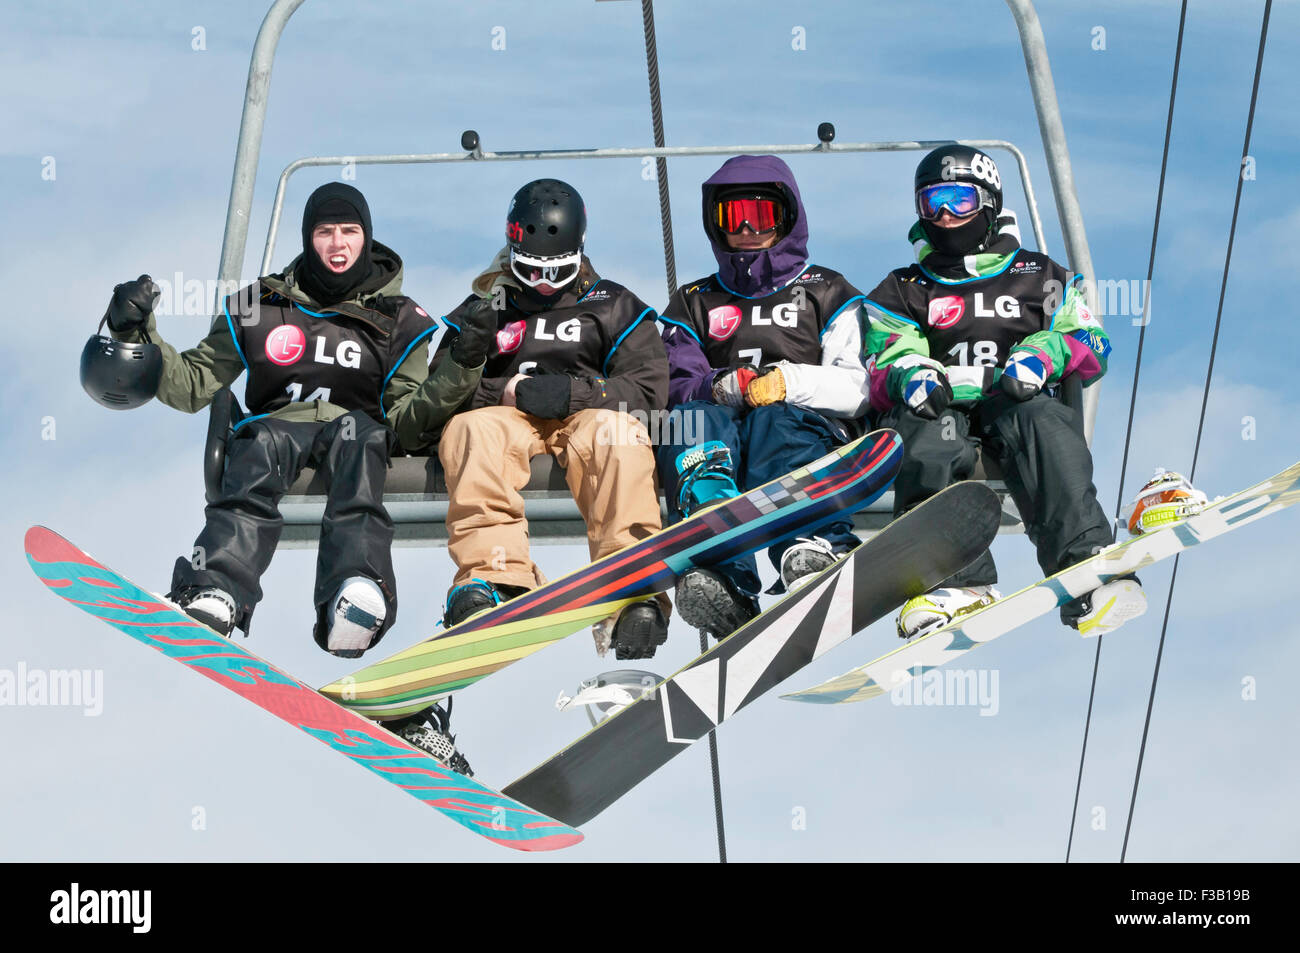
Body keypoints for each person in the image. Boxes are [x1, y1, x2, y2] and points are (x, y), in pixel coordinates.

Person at [100, 182, 494, 661]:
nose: (337, 244)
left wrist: (462, 366)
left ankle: (355, 587)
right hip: (277, 426)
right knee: (259, 444)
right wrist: (137, 332)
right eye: (325, 232)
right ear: (308, 238)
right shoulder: (258, 304)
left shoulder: (399, 320)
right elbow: (194, 383)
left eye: (349, 231)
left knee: (362, 440)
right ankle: (217, 588)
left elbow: (407, 421)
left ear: (366, 238)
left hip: (355, 430)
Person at [862, 144, 1145, 638]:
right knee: (928, 438)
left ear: (988, 203)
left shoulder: (1039, 275)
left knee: (1043, 423)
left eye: (959, 200)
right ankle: (956, 582)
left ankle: (1085, 562)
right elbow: (885, 350)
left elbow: (1090, 340)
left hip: (1013, 398)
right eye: (933, 203)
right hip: (942, 405)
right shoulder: (905, 287)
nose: (946, 215)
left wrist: (1042, 355)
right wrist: (911, 371)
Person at [427, 178, 672, 660]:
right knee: (470, 430)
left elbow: (648, 389)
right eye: (530, 270)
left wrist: (576, 394)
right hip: (508, 418)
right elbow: (437, 398)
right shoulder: (486, 307)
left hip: (587, 418)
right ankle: (494, 575)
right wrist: (504, 390)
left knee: (619, 433)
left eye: (555, 271)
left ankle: (630, 588)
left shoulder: (613, 305)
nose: (542, 284)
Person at [655, 155, 871, 638]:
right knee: (691, 419)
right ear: (717, 225)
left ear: (787, 217)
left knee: (776, 422)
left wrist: (788, 382)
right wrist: (720, 387)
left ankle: (811, 542)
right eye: (735, 217)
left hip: (802, 427)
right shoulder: (694, 301)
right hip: (726, 426)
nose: (749, 228)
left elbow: (858, 386)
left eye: (762, 214)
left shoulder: (826, 291)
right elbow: (672, 377)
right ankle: (721, 556)